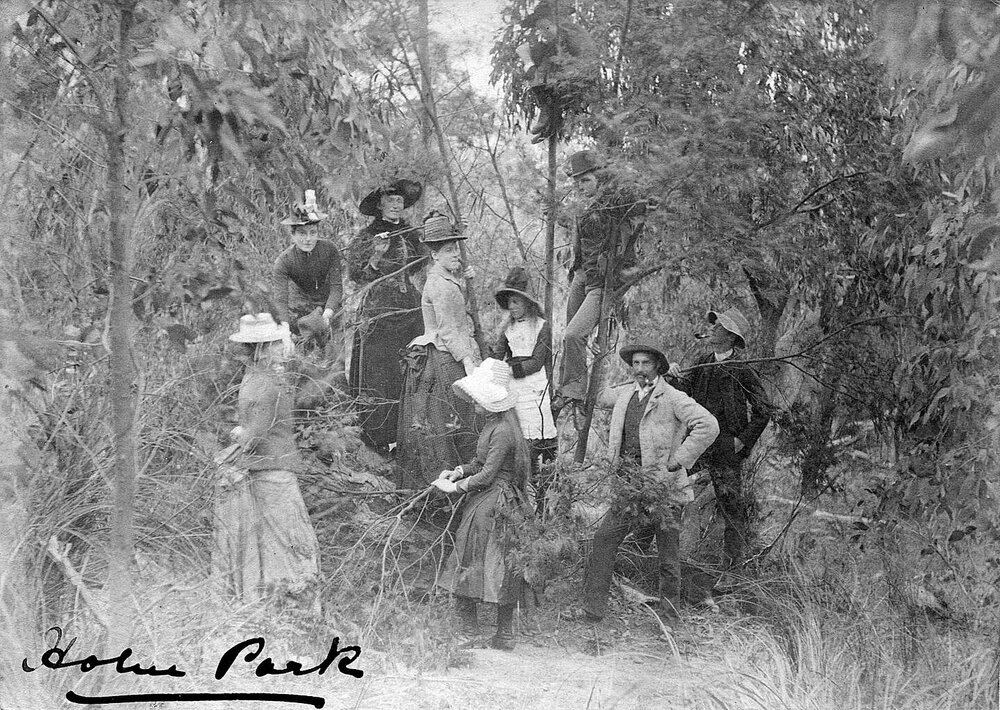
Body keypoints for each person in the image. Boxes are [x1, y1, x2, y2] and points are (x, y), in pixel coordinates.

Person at [563, 341, 718, 623]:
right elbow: (599, 396)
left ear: (658, 366)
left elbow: (708, 425)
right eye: (635, 363)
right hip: (629, 486)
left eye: (646, 363)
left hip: (664, 488)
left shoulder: (672, 397)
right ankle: (593, 610)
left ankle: (669, 620)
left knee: (668, 556)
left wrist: (680, 458)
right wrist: (601, 360)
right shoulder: (625, 394)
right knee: (604, 539)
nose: (640, 369)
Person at [213, 313, 321, 610]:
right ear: (261, 349)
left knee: (273, 543)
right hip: (273, 472)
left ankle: (275, 604)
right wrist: (240, 434)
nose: (281, 349)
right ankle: (289, 607)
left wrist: (240, 432)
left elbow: (250, 429)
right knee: (289, 542)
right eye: (275, 344)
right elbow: (253, 434)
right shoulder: (268, 385)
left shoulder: (253, 377)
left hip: (264, 468)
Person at [431, 358, 536, 650]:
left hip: (496, 502)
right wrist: (460, 471)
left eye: (478, 399)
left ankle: (485, 631)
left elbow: (489, 474)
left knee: (481, 555)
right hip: (488, 497)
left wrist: (456, 488)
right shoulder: (494, 424)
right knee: (487, 558)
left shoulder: (503, 430)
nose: (474, 403)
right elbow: (480, 463)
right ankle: (494, 631)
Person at [667, 307, 773, 570]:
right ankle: (661, 557)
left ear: (730, 337)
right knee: (671, 492)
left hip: (726, 447)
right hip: (697, 445)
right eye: (714, 325)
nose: (712, 328)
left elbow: (764, 411)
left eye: (719, 326)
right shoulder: (703, 362)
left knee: (730, 508)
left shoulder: (743, 370)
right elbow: (681, 393)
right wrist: (672, 373)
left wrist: (742, 441)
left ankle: (731, 571)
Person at [555, 151, 647, 417]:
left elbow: (642, 203)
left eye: (586, 181)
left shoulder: (614, 202)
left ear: (600, 177)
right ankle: (567, 391)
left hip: (603, 282)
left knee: (573, 334)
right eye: (578, 182)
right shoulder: (584, 206)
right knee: (570, 338)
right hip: (582, 275)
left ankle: (576, 393)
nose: (580, 187)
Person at [396, 213, 482, 482]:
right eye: (448, 250)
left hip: (447, 355)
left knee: (453, 423)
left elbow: (458, 313)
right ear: (434, 255)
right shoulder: (439, 283)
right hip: (444, 359)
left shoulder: (447, 278)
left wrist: (466, 283)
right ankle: (444, 492)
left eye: (455, 248)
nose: (455, 253)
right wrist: (468, 360)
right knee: (448, 424)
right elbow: (447, 328)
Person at [348, 179, 425, 453]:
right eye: (390, 199)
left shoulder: (411, 233)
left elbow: (425, 259)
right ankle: (377, 437)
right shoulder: (366, 237)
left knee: (412, 367)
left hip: (409, 307)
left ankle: (410, 434)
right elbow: (356, 276)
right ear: (379, 204)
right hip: (378, 310)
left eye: (400, 200)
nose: (396, 204)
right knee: (379, 373)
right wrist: (375, 258)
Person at [491, 266, 557, 514]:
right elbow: (499, 356)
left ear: (527, 303)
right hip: (514, 388)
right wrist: (494, 366)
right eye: (510, 303)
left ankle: (546, 501)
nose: (513, 307)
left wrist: (510, 368)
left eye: (517, 301)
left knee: (542, 439)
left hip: (536, 385)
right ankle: (522, 499)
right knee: (522, 444)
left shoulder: (541, 326)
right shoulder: (508, 329)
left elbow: (537, 361)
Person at [271, 190, 344, 363]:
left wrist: (327, 316)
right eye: (302, 233)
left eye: (313, 232)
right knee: (304, 363)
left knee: (333, 362)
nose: (308, 239)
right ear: (293, 235)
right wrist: (285, 333)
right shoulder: (284, 261)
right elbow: (281, 300)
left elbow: (336, 287)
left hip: (329, 309)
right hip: (301, 312)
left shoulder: (329, 250)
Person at [517, 1, 599, 143]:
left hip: (579, 80)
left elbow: (586, 59)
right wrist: (528, 61)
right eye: (540, 29)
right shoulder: (552, 42)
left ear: (559, 22)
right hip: (564, 84)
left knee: (542, 72)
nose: (543, 32)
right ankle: (550, 119)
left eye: (546, 27)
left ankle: (549, 114)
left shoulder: (571, 33)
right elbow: (537, 58)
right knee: (534, 68)